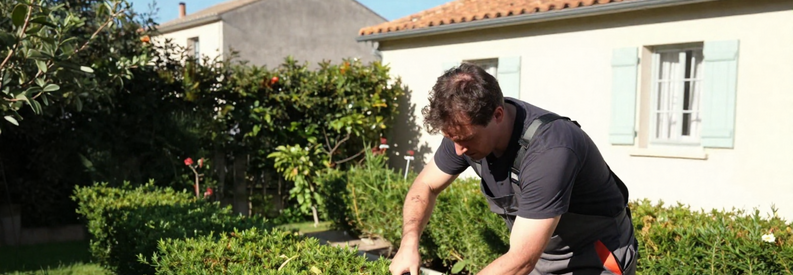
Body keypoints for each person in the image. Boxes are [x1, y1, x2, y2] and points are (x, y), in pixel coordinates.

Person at [389, 63, 638, 275]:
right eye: (452, 139)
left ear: (498, 115)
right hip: (539, 256)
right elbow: (425, 185)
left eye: (466, 140)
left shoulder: (551, 149)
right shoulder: (463, 131)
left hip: (594, 258)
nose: (458, 151)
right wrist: (408, 241)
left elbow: (521, 259)